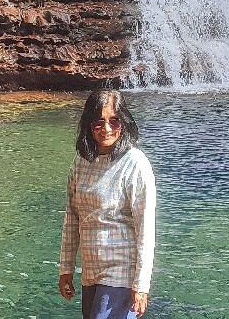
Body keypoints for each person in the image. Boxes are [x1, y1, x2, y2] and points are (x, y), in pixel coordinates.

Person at [58, 88, 156, 319]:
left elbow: (146, 230)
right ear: (88, 124)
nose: (107, 129)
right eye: (99, 122)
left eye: (114, 121)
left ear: (124, 122)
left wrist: (141, 286)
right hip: (91, 271)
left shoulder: (135, 164)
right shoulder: (82, 160)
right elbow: (72, 217)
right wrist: (66, 268)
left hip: (121, 273)